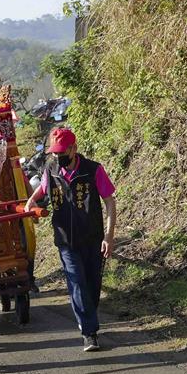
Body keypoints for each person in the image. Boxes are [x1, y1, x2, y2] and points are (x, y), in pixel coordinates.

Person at [24, 128, 117, 352]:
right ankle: (89, 333)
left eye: (61, 152)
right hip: (66, 239)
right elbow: (42, 191)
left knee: (92, 286)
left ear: (73, 149)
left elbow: (110, 202)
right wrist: (30, 202)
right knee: (76, 281)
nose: (58, 157)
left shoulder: (93, 170)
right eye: (54, 153)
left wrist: (109, 236)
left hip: (93, 238)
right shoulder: (51, 169)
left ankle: (88, 321)